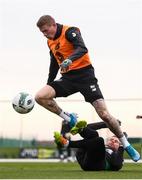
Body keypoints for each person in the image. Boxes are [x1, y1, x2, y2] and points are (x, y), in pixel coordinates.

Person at [35, 15, 140, 162]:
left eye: (46, 30)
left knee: (104, 114)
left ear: (53, 25)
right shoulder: (50, 42)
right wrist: (49, 83)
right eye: (42, 32)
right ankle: (68, 117)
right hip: (68, 79)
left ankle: (126, 144)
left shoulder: (70, 31)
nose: (45, 34)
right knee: (40, 96)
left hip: (85, 76)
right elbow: (54, 63)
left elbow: (82, 48)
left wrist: (69, 59)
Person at [54, 120, 125, 171]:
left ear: (119, 146)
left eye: (116, 142)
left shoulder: (116, 154)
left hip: (96, 166)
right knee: (93, 134)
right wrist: (109, 123)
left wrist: (121, 148)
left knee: (99, 139)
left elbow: (117, 165)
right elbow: (90, 128)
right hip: (84, 157)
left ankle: (68, 143)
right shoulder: (101, 145)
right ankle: (81, 130)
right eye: (111, 139)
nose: (113, 141)